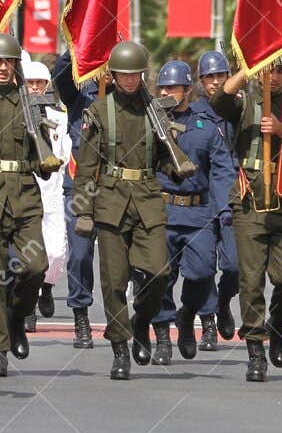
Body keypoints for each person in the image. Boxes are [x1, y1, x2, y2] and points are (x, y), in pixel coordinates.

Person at [72, 41, 188, 380]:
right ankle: (120, 347)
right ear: (114, 75)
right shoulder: (99, 111)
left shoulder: (156, 109)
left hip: (148, 199)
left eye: (135, 74)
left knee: (159, 273)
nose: (129, 81)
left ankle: (140, 321)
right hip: (110, 202)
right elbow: (86, 167)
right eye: (123, 75)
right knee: (113, 282)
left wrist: (176, 165)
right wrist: (83, 210)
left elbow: (165, 156)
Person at [211, 54, 282, 383]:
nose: (275, 77)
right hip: (249, 205)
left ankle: (279, 321)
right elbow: (218, 101)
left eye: (281, 71)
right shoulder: (244, 105)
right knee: (251, 279)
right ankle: (256, 350)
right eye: (270, 70)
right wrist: (247, 70)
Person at [0, 34, 59, 378]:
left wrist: (46, 163)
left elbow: (41, 155)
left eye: (9, 62)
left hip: (24, 195)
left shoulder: (31, 105)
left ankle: (18, 317)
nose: (4, 68)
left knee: (36, 266)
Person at [152, 59, 237, 362]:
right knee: (158, 276)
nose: (166, 92)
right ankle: (162, 335)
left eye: (172, 87)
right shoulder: (150, 124)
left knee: (202, 274)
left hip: (198, 213)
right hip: (160, 212)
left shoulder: (206, 126)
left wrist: (225, 208)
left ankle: (187, 315)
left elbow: (222, 169)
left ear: (187, 90)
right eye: (162, 87)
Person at [51, 50, 99, 349]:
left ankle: (126, 319)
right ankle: (80, 315)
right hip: (81, 186)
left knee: (123, 262)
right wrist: (83, 42)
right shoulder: (81, 95)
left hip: (117, 187)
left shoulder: (135, 95)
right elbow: (60, 73)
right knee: (80, 255)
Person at [193, 50, 239, 341]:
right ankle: (207, 320)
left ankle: (224, 301)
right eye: (209, 77)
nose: (214, 81)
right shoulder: (194, 112)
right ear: (200, 80)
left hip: (234, 194)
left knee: (234, 263)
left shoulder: (239, 109)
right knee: (205, 264)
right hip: (202, 196)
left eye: (220, 76)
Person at [23, 60, 70, 325]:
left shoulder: (60, 117)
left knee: (56, 251)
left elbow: (66, 154)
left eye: (40, 83)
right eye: (31, 83)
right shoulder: (17, 115)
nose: (35, 88)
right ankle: (28, 305)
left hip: (52, 191)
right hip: (27, 190)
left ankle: (47, 286)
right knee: (30, 253)